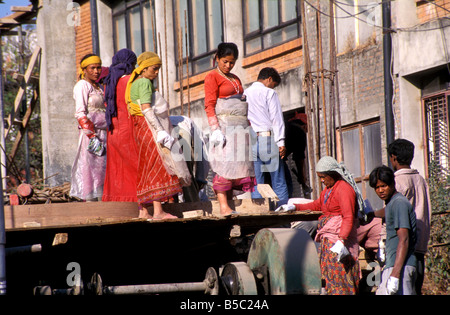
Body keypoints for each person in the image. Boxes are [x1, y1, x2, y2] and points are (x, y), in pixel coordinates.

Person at [125, 51, 191, 219]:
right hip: (149, 129)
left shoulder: (135, 83)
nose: (156, 73)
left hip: (140, 129)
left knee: (146, 168)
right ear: (144, 68)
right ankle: (159, 211)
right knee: (157, 166)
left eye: (158, 69)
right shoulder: (145, 83)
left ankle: (144, 211)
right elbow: (146, 108)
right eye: (154, 69)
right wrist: (160, 130)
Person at [292, 156, 361, 295]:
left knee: (341, 275)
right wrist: (294, 207)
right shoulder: (328, 190)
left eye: (323, 177)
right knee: (330, 276)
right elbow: (316, 205)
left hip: (339, 240)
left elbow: (348, 216)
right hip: (329, 239)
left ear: (332, 174)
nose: (322, 180)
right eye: (320, 178)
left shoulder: (344, 189)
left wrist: (341, 240)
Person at [204, 42, 255, 216]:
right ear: (217, 58)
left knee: (237, 166)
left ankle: (231, 203)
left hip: (239, 130)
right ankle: (223, 205)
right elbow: (209, 105)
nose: (228, 65)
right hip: (224, 128)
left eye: (231, 62)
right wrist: (215, 128)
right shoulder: (212, 77)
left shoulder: (235, 78)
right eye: (225, 61)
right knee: (224, 165)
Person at [387, 138, 431, 294]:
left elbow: (393, 212)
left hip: (403, 248)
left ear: (393, 158)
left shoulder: (397, 181)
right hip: (420, 245)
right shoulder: (420, 179)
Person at [369, 166, 417, 295]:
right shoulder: (391, 203)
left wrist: (395, 275)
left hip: (401, 266)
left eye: (383, 186)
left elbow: (404, 239)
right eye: (377, 188)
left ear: (392, 183)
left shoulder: (399, 203)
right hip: (394, 264)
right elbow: (387, 212)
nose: (380, 191)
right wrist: (371, 214)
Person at [245, 67, 289, 207]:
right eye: (274, 84)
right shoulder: (269, 93)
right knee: (279, 182)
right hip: (267, 140)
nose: (273, 87)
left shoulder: (245, 94)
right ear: (269, 79)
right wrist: (281, 141)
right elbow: (276, 119)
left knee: (257, 183)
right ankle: (283, 219)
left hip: (251, 141)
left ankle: (259, 220)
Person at [102, 49, 139, 203]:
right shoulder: (131, 81)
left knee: (116, 170)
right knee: (135, 168)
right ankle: (137, 201)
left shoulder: (108, 82)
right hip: (129, 130)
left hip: (113, 132)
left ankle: (116, 203)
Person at [70, 53, 107, 201]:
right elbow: (80, 113)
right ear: (84, 69)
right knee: (91, 169)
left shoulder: (98, 87)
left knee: (102, 170)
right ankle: (91, 206)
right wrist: (92, 136)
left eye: (98, 68)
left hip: (104, 133)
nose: (96, 71)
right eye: (92, 68)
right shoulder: (82, 86)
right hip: (91, 135)